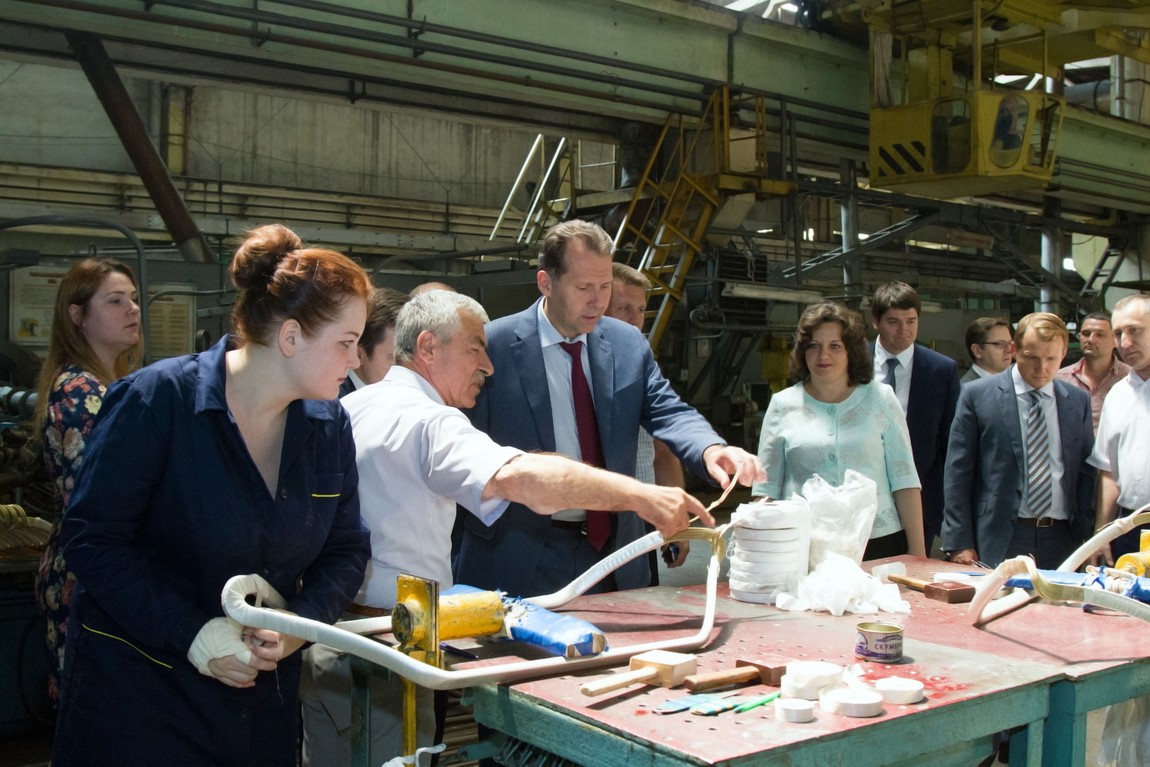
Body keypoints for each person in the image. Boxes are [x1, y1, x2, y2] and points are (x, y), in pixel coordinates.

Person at [302, 289, 711, 766]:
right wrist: (643, 496)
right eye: (475, 348)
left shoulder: (356, 406)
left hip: (331, 641)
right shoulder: (428, 421)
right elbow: (523, 478)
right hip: (384, 658)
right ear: (428, 347)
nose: (488, 366)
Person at [52, 224, 372, 767]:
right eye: (346, 342)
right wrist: (190, 632)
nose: (357, 359)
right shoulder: (157, 402)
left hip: (260, 712)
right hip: (144, 701)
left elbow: (345, 551)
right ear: (290, 338)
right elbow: (92, 540)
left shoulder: (327, 425)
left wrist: (295, 627)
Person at [454, 220, 764, 598]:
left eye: (604, 287)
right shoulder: (495, 346)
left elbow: (667, 409)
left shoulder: (627, 343)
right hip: (519, 553)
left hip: (614, 554)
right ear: (546, 283)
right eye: (584, 287)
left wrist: (711, 448)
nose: (597, 301)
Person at [33, 258, 144, 706]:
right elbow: (111, 495)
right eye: (115, 301)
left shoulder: (108, 384)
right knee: (95, 709)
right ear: (77, 315)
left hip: (95, 569)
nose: (132, 309)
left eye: (133, 298)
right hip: (88, 575)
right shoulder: (79, 392)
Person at [754, 302, 925, 559]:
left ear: (850, 351)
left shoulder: (881, 398)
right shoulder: (782, 404)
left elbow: (905, 480)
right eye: (814, 346)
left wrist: (918, 551)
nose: (823, 355)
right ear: (802, 351)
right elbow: (766, 488)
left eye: (835, 346)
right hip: (804, 545)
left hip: (878, 541)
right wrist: (760, 551)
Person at [942, 312, 1095, 569]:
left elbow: (1086, 473)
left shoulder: (1077, 401)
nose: (1042, 368)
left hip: (1063, 537)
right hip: (1001, 535)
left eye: (1051, 359)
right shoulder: (977, 395)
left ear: (1064, 353)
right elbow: (958, 473)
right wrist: (959, 540)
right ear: (1014, 349)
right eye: (1032, 357)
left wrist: (1088, 535)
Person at [605, 262, 688, 582]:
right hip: (589, 523)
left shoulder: (642, 366)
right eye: (624, 308)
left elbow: (663, 452)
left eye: (640, 310)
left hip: (640, 522)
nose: (635, 319)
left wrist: (676, 519)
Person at [870, 281, 960, 549]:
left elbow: (949, 442)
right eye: (893, 322)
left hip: (922, 496)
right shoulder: (853, 363)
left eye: (911, 321)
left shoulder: (941, 370)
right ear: (875, 322)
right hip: (864, 493)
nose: (904, 330)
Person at [1088, 295, 1150, 564]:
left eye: (1135, 330)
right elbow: (1109, 472)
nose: (1125, 342)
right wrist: (1101, 533)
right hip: (1128, 527)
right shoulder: (1117, 395)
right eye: (1118, 333)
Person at [1056, 311, 1130, 433]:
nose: (1091, 339)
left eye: (1100, 335)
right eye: (1086, 333)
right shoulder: (1059, 378)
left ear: (1115, 341)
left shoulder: (1130, 378)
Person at [338, 286, 408, 396]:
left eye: (414, 359)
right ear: (358, 354)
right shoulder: (330, 401)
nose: (408, 371)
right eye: (396, 360)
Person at [960, 317, 1013, 384]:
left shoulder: (1012, 382)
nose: (1009, 350)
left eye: (1010, 343)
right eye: (999, 344)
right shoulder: (966, 388)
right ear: (977, 351)